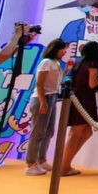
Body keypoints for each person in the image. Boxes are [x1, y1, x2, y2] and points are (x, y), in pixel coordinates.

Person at [61, 41, 98, 176]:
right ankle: (63, 166)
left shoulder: (79, 64)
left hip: (77, 97)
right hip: (85, 99)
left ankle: (65, 164)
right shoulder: (93, 64)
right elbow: (92, 84)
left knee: (86, 132)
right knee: (76, 133)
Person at [25, 38, 70, 176]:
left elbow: (56, 81)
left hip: (52, 98)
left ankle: (41, 159)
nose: (65, 52)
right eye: (63, 49)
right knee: (38, 132)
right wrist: (43, 102)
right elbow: (39, 84)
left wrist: (67, 70)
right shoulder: (46, 63)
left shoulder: (55, 63)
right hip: (43, 98)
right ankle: (30, 164)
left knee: (48, 131)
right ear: (56, 49)